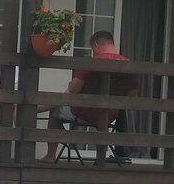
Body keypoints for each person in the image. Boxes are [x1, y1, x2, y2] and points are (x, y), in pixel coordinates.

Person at [41, 30, 138, 162]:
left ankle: (51, 155)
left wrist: (71, 84)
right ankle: (100, 158)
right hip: (110, 115)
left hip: (84, 113)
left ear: (96, 45)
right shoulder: (130, 66)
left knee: (55, 112)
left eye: (92, 49)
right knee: (102, 118)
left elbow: (73, 90)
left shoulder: (93, 63)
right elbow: (132, 95)